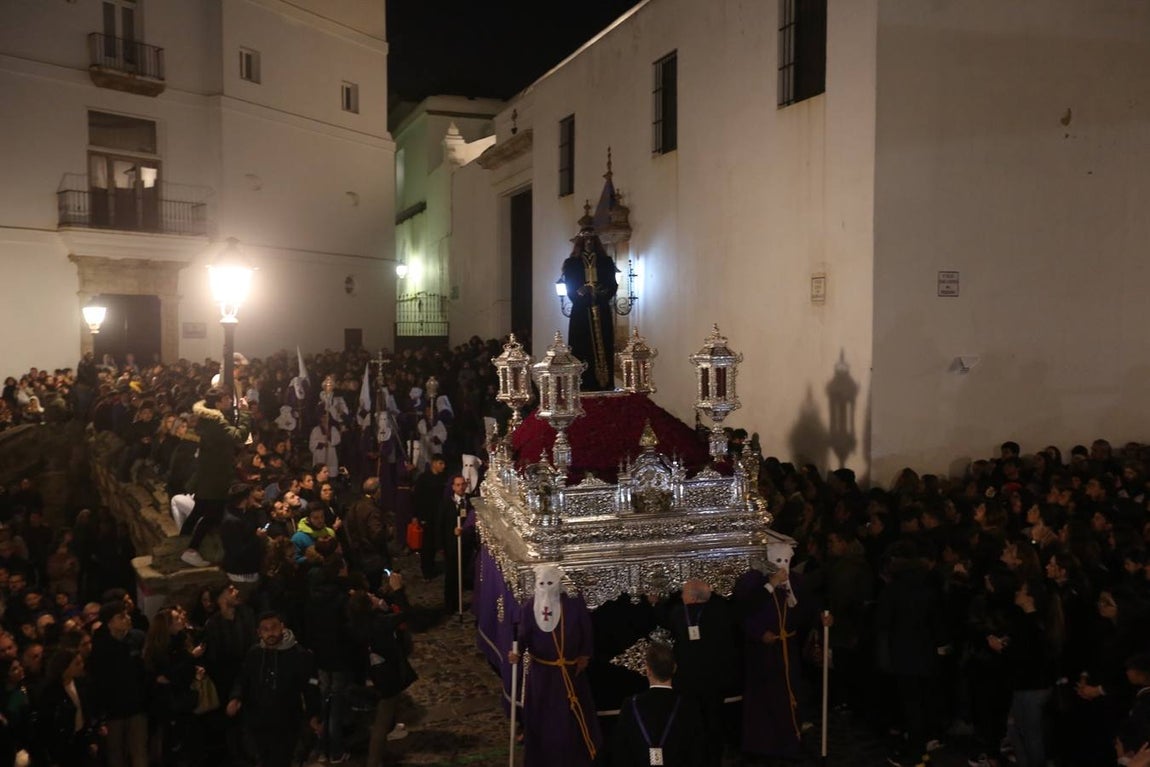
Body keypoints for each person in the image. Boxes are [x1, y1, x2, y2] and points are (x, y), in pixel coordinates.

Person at [508, 564, 602, 767]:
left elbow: (585, 630)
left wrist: (585, 654)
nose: (546, 588)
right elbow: (522, 638)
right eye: (542, 583)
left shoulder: (574, 604)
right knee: (544, 720)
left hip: (569, 672)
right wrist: (515, 653)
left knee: (569, 719)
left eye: (550, 583)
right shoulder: (528, 609)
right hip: (542, 676)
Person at [654, 579, 739, 767]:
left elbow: (662, 620)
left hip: (688, 680)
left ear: (692, 597)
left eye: (683, 593)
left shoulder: (678, 614)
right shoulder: (720, 611)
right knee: (714, 720)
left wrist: (657, 603)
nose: (681, 596)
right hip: (715, 679)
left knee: (692, 722)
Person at [227, 611, 322, 767]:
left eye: (274, 627)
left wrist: (314, 714)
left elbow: (311, 685)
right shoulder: (255, 653)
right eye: (265, 629)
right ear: (259, 632)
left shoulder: (299, 655)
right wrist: (235, 697)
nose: (270, 633)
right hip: (258, 720)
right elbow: (243, 678)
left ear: (282, 627)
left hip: (287, 721)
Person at [182, 386, 252, 568]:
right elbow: (238, 436)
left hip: (209, 474)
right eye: (227, 399)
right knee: (212, 514)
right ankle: (191, 549)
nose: (230, 401)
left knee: (199, 510)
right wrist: (245, 414)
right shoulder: (217, 422)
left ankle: (182, 541)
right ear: (218, 402)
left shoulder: (208, 419)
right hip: (215, 477)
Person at [610, 642, 706, 767]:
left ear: (647, 670)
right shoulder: (689, 705)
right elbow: (698, 754)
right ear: (674, 668)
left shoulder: (630, 705)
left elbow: (621, 753)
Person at [560, 213, 618, 391]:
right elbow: (570, 286)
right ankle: (583, 385)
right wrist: (581, 292)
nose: (589, 243)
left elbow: (612, 285)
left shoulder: (606, 262)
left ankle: (605, 384)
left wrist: (600, 292)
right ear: (580, 242)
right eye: (585, 240)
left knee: (604, 345)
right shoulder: (572, 263)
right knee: (582, 347)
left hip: (600, 308)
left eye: (592, 240)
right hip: (581, 312)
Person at [89, 601, 148, 767]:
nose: (127, 619)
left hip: (136, 706)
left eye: (127, 615)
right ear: (110, 622)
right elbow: (99, 681)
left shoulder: (137, 638)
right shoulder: (100, 646)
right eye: (121, 617)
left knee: (139, 752)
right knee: (116, 754)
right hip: (113, 711)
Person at [345, 477, 392, 590]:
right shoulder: (372, 509)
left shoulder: (355, 505)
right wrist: (388, 532)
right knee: (375, 585)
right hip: (372, 554)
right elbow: (377, 534)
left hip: (358, 552)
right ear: (377, 490)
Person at [438, 474, 475, 614]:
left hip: (465, 545)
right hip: (451, 546)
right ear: (453, 487)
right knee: (451, 575)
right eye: (457, 485)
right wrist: (441, 545)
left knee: (463, 574)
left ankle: (461, 600)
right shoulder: (446, 503)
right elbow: (440, 524)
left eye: (462, 484)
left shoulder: (470, 503)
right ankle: (450, 604)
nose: (460, 487)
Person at [413, 455, 449, 579]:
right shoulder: (423, 479)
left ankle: (431, 566)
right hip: (426, 516)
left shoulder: (443, 478)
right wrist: (416, 515)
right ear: (433, 464)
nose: (443, 466)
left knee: (434, 543)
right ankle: (426, 569)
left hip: (438, 516)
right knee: (426, 544)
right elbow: (417, 498)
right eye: (440, 463)